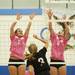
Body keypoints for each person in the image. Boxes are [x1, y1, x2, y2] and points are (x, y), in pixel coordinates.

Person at [46, 9, 70, 75]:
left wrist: (64, 21)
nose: (60, 31)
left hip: (61, 61)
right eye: (59, 31)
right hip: (53, 61)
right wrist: (50, 18)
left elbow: (67, 30)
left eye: (62, 31)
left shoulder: (64, 40)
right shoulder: (54, 37)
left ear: (63, 34)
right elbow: (50, 28)